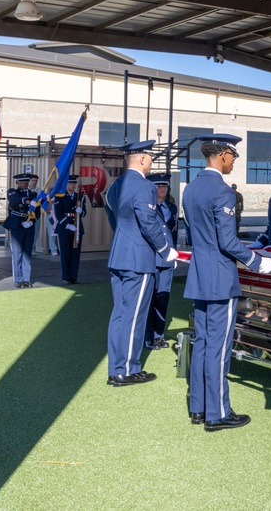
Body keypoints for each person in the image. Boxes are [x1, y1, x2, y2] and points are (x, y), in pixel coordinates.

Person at [183, 135, 271, 429]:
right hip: (220, 278)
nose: (234, 161)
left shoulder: (190, 188)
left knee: (202, 342)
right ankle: (218, 413)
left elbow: (194, 235)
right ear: (223, 154)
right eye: (233, 155)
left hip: (199, 274)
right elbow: (228, 241)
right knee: (219, 346)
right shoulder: (221, 191)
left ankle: (199, 407)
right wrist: (258, 262)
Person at [105, 140, 178, 387]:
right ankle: (127, 370)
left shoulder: (117, 185)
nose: (151, 163)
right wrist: (165, 250)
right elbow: (148, 221)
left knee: (120, 313)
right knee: (134, 316)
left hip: (119, 254)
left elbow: (112, 215)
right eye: (151, 159)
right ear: (143, 159)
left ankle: (116, 368)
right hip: (138, 259)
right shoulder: (145, 185)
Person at [144, 173, 177, 350]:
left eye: (164, 185)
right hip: (152, 258)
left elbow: (172, 233)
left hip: (167, 259)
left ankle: (158, 335)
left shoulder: (171, 207)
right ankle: (147, 336)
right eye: (158, 186)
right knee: (150, 299)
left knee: (163, 298)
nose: (162, 189)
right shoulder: (147, 207)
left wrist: (174, 253)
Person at [2, 173, 38, 288]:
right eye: (22, 182)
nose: (25, 184)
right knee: (17, 253)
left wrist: (32, 221)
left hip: (29, 224)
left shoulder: (34, 194)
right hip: (17, 224)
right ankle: (18, 279)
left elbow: (37, 211)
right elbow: (14, 200)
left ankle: (26, 278)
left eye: (26, 182)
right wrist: (27, 201)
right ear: (17, 182)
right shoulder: (13, 192)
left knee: (27, 253)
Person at [53, 175, 86, 284]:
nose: (73, 186)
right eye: (70, 183)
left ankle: (74, 276)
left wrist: (81, 211)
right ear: (66, 184)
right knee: (65, 253)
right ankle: (66, 277)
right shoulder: (60, 196)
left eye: (74, 184)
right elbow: (58, 214)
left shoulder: (80, 197)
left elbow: (84, 213)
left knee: (75, 254)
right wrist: (67, 225)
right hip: (65, 228)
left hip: (77, 227)